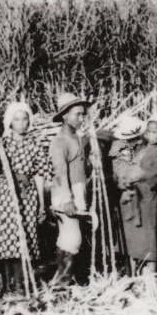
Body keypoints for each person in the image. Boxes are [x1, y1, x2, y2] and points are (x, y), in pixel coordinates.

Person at [0, 101, 53, 293]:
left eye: (24, 118)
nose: (21, 123)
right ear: (10, 122)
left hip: (28, 195)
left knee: (24, 236)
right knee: (7, 238)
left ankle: (19, 284)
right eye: (16, 119)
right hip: (7, 195)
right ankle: (7, 283)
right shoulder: (2, 144)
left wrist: (42, 205)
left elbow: (40, 175)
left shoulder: (35, 144)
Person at [113, 117, 157, 274]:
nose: (151, 135)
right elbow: (121, 164)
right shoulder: (137, 149)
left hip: (146, 198)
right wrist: (123, 180)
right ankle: (131, 271)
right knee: (131, 236)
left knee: (148, 235)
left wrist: (132, 177)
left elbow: (155, 172)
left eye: (155, 132)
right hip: (129, 197)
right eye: (148, 131)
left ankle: (149, 271)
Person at [48, 93, 92, 285]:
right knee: (71, 238)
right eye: (77, 115)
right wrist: (66, 199)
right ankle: (61, 281)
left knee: (76, 238)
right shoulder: (60, 142)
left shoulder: (77, 138)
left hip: (78, 191)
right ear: (65, 115)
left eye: (83, 115)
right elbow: (59, 173)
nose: (81, 119)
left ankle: (71, 278)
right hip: (65, 193)